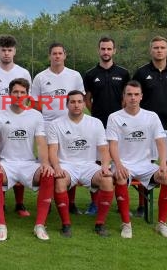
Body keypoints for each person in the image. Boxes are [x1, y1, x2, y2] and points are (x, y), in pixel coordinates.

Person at [106, 80, 167, 238]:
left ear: (141, 96)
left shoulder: (151, 116)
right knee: (121, 177)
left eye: (136, 94)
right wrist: (118, 165)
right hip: (123, 164)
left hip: (145, 165)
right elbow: (113, 145)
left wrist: (163, 164)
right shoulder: (114, 117)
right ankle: (126, 224)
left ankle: (162, 224)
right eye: (129, 94)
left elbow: (161, 142)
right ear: (123, 96)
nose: (133, 98)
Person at [0, 78, 54, 241]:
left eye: (22, 92)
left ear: (27, 95)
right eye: (15, 92)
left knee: (47, 174)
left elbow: (41, 143)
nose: (18, 95)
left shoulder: (36, 116)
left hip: (28, 164)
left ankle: (39, 225)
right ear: (9, 94)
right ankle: (1, 225)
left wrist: (45, 163)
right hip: (6, 163)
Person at [133, 36, 167, 218]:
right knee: (144, 163)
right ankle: (142, 206)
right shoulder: (141, 73)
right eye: (155, 47)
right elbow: (135, 97)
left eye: (162, 47)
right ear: (151, 50)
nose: (159, 50)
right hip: (146, 128)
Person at [47, 90, 114, 238]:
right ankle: (66, 224)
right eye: (72, 102)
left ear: (84, 104)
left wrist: (105, 166)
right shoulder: (55, 124)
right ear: (67, 105)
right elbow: (52, 150)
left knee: (107, 180)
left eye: (79, 102)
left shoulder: (95, 123)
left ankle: (100, 224)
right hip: (66, 165)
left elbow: (104, 149)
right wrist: (57, 168)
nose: (76, 105)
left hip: (89, 166)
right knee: (59, 181)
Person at [31, 42, 85, 215]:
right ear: (49, 56)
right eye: (54, 53)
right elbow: (35, 103)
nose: (57, 56)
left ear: (65, 55)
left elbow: (79, 98)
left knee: (69, 162)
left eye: (60, 53)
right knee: (47, 165)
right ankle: (46, 202)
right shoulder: (40, 77)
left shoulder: (74, 75)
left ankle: (71, 202)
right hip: (47, 126)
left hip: (69, 125)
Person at [0, 35, 32, 218]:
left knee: (21, 158)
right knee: (0, 161)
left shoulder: (24, 73)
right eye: (3, 50)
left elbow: (28, 98)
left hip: (20, 124)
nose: (6, 53)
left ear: (14, 51)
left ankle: (19, 204)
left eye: (9, 50)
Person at [82, 36, 129, 215]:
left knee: (118, 161)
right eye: (103, 49)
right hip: (99, 124)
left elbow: (126, 97)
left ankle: (119, 202)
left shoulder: (123, 73)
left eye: (109, 49)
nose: (106, 52)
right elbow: (87, 99)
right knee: (97, 163)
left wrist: (119, 115)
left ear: (114, 51)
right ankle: (95, 203)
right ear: (98, 50)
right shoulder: (91, 74)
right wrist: (96, 115)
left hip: (119, 125)